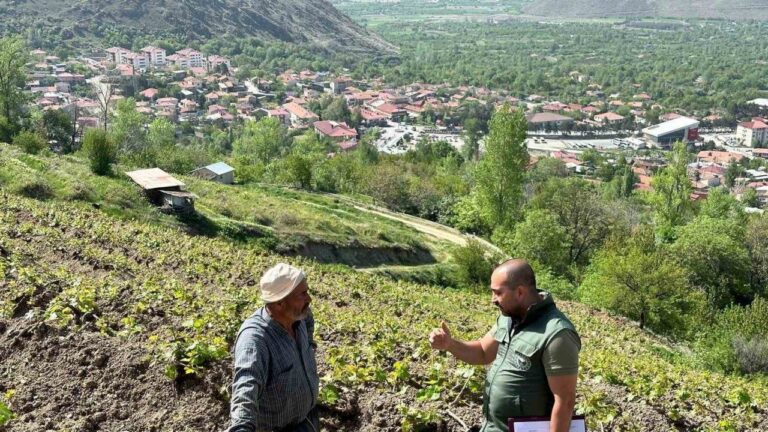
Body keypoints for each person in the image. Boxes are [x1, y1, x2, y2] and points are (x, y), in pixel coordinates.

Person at [429, 259, 580, 432]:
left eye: (498, 293)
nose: (492, 300)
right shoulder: (509, 317)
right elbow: (482, 352)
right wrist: (449, 344)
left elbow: (565, 402)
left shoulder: (557, 334)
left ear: (520, 292)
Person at [229, 263, 319, 432]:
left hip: (308, 420)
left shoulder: (302, 316)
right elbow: (246, 387)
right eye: (303, 294)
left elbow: (309, 334)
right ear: (279, 303)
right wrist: (242, 428)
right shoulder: (255, 339)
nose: (309, 299)